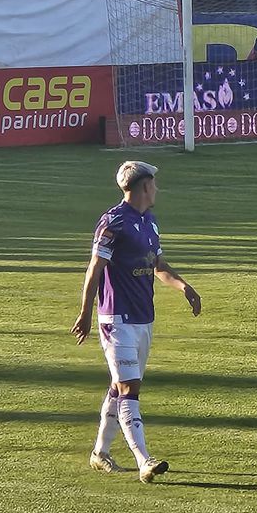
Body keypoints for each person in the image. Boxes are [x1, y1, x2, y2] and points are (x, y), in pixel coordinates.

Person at [72, 161, 202, 482]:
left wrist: (184, 286)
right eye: (154, 183)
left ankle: (100, 453)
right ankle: (145, 461)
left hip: (144, 318)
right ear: (144, 186)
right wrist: (86, 313)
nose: (157, 188)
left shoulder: (150, 223)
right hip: (115, 319)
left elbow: (158, 265)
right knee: (130, 389)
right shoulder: (112, 223)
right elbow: (95, 269)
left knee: (119, 388)